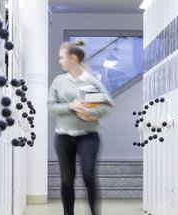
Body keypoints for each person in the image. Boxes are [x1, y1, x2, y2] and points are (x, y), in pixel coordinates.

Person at [48, 39, 114, 215]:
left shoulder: (91, 82)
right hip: (63, 137)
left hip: (88, 135)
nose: (59, 61)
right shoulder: (59, 81)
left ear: (73, 58)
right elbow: (51, 107)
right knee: (67, 179)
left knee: (89, 175)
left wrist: (90, 113)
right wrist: (70, 106)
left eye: (61, 57)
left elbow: (108, 106)